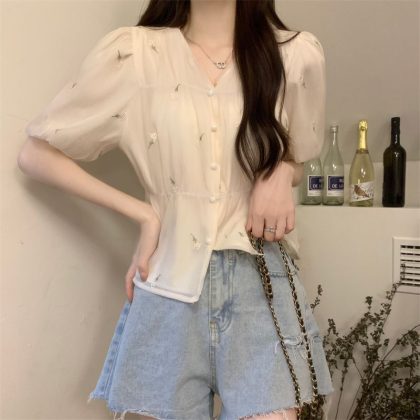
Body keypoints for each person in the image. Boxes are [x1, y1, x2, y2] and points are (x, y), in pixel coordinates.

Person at [18, 0, 334, 419]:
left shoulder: (293, 56)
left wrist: (281, 171)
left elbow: (299, 156)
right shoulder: (135, 56)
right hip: (168, 287)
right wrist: (144, 214)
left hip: (260, 285)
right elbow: (36, 154)